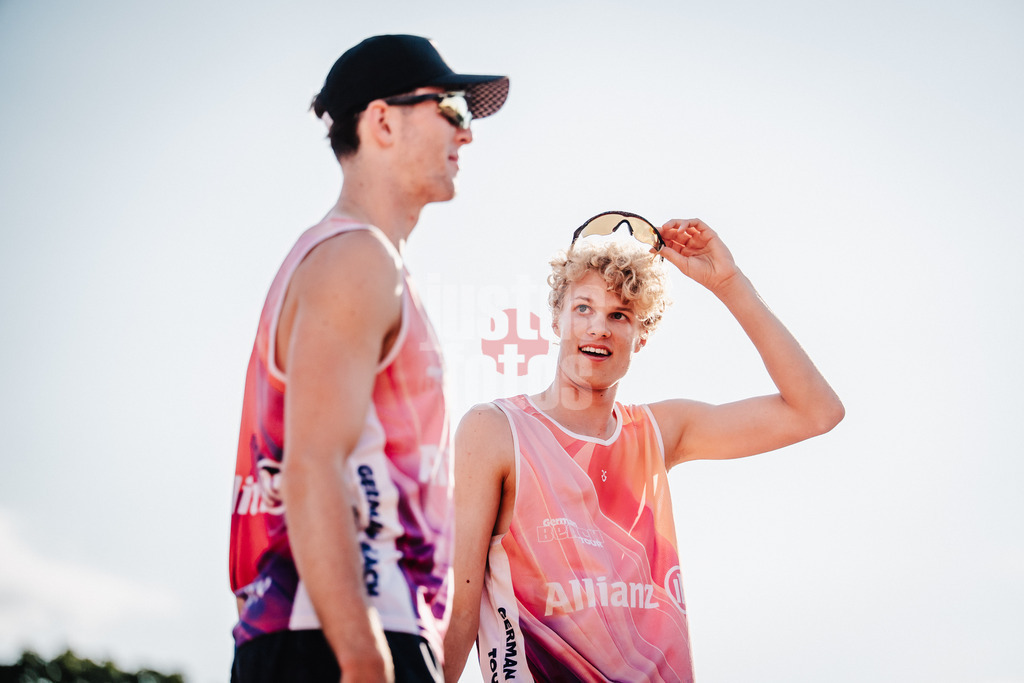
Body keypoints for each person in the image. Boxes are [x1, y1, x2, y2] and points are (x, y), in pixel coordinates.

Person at [443, 212, 845, 682]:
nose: (599, 328)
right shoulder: (495, 430)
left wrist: (729, 283)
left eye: (620, 315)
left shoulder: (658, 431)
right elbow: (457, 609)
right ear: (556, 319)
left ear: (642, 336)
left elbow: (817, 411)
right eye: (583, 308)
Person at [228, 35, 509, 683]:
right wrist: (363, 657)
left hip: (336, 629)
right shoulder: (358, 259)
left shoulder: (350, 256)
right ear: (382, 120)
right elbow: (312, 464)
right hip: (342, 634)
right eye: (452, 110)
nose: (466, 135)